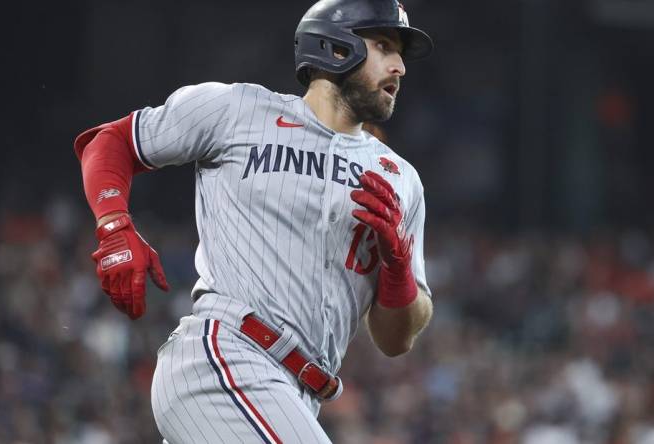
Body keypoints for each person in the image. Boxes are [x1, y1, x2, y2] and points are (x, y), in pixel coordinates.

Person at [73, 0, 434, 442]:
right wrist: (114, 225)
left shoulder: (400, 181)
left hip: (296, 397)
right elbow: (111, 142)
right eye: (383, 45)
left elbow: (396, 340)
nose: (398, 65)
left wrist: (398, 271)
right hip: (224, 360)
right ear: (336, 48)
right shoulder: (239, 111)